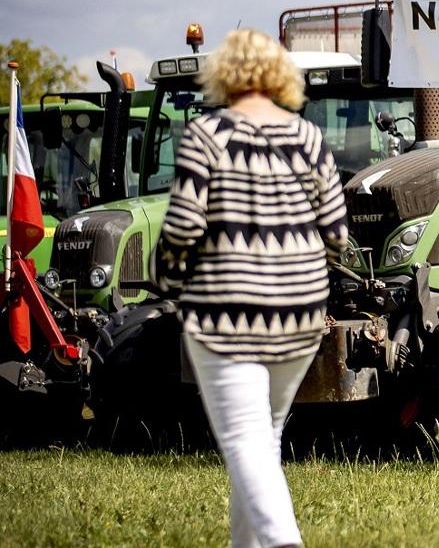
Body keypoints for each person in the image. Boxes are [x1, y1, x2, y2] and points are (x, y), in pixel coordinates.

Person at [154, 28, 347, 548]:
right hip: (300, 312)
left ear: (223, 73)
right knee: (262, 439)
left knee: (243, 439)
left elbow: (183, 227)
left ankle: (284, 541)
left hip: (226, 309)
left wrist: (167, 279)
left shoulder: (206, 135)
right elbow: (337, 234)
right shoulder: (308, 137)